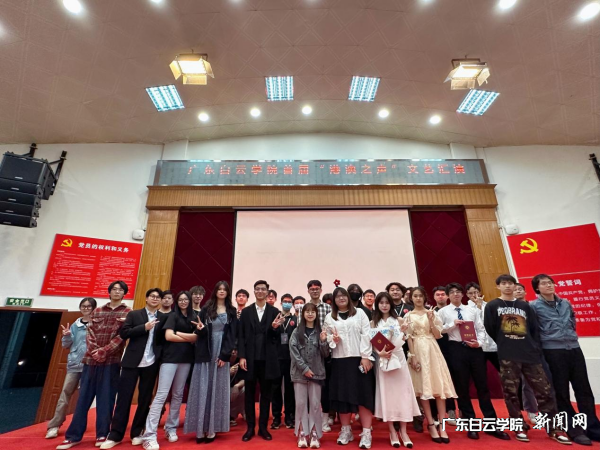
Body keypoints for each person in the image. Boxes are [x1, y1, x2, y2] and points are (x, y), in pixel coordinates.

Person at [484, 274, 571, 445]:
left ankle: (554, 428)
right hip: (508, 355)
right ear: (498, 286)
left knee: (544, 391)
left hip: (529, 354)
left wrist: (534, 347)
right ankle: (519, 427)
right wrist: (505, 342)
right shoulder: (493, 305)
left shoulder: (524, 306)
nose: (507, 286)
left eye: (510, 283)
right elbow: (490, 327)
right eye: (504, 283)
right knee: (511, 393)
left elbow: (533, 328)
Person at [57, 282, 132, 450]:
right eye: (114, 289)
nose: (117, 291)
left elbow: (122, 336)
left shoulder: (128, 312)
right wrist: (95, 351)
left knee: (106, 400)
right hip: (90, 361)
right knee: (83, 399)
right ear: (109, 292)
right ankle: (73, 436)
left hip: (111, 362)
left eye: (120, 290)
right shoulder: (97, 311)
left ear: (124, 293)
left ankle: (102, 434)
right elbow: (89, 333)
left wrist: (104, 351)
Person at [530, 274, 600, 444]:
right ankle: (573, 429)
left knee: (584, 390)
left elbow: (572, 321)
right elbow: (534, 331)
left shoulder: (565, 303)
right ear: (537, 288)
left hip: (574, 349)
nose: (549, 285)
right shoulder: (534, 306)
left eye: (550, 282)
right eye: (544, 283)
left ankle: (592, 427)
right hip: (552, 351)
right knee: (561, 392)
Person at [438, 282, 508, 441]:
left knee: (482, 387)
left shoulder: (472, 310)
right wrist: (452, 324)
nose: (455, 294)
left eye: (458, 291)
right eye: (452, 292)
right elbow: (438, 330)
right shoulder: (443, 312)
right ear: (448, 295)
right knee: (462, 388)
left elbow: (481, 328)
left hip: (475, 349)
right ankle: (471, 425)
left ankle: (492, 424)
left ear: (462, 294)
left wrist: (479, 343)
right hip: (456, 349)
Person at [100, 288, 165, 449]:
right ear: (147, 298)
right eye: (152, 296)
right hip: (131, 362)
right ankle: (115, 434)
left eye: (158, 297)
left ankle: (137, 432)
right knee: (124, 398)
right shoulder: (134, 314)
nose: (155, 299)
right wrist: (144, 327)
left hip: (151, 362)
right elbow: (124, 333)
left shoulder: (163, 317)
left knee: (144, 399)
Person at [142, 291, 197, 450]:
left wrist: (178, 333)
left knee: (178, 394)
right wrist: (187, 337)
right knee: (161, 395)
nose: (183, 302)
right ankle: (149, 435)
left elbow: (196, 338)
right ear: (176, 302)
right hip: (170, 359)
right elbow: (168, 336)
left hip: (186, 360)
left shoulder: (193, 317)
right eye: (180, 299)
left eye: (186, 299)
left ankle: (171, 428)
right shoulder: (173, 316)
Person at [185, 281, 238, 443]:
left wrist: (224, 356)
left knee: (217, 389)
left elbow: (232, 336)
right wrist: (200, 329)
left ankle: (212, 429)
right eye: (219, 289)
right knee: (203, 387)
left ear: (227, 292)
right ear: (215, 291)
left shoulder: (231, 311)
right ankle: (200, 428)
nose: (221, 291)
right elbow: (200, 330)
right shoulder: (206, 308)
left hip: (221, 352)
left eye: (224, 289)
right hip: (206, 351)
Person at [324, 287, 374, 449]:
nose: (341, 298)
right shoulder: (329, 317)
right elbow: (327, 337)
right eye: (337, 297)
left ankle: (366, 432)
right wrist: (333, 339)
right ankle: (346, 430)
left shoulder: (360, 313)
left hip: (359, 360)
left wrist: (365, 356)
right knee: (342, 397)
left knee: (363, 397)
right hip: (339, 361)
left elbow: (367, 334)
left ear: (348, 297)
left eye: (343, 295)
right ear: (334, 300)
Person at [405, 287, 456, 444]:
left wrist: (432, 319)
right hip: (418, 351)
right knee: (423, 389)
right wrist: (412, 357)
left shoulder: (432, 313)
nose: (418, 298)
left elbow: (438, 335)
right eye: (415, 296)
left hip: (432, 349)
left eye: (421, 296)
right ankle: (431, 424)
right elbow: (409, 337)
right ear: (411, 298)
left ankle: (442, 425)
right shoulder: (408, 315)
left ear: (425, 297)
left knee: (439, 388)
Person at [370, 292, 420, 448]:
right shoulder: (373, 323)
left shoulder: (399, 320)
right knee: (388, 395)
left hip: (399, 359)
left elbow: (406, 340)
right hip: (384, 360)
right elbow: (373, 343)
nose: (384, 305)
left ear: (391, 304)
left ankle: (404, 431)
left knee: (403, 394)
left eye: (387, 302)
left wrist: (403, 331)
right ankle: (392, 431)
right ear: (377, 305)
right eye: (381, 303)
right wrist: (379, 353)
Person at [238, 280, 283, 442]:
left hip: (267, 360)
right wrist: (242, 356)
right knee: (249, 394)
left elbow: (277, 338)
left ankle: (263, 427)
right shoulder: (246, 312)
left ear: (268, 292)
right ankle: (250, 427)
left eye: (263, 289)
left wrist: (274, 328)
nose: (260, 291)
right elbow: (241, 335)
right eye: (257, 289)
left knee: (266, 395)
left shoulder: (274, 311)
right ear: (254, 291)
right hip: (249, 359)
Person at [46, 298, 97, 440]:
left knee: (84, 397)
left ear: (94, 308)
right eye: (83, 306)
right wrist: (67, 336)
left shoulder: (97, 324)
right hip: (74, 365)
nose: (86, 308)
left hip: (90, 365)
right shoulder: (75, 325)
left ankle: (79, 425)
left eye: (89, 306)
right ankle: (54, 425)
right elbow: (66, 345)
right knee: (64, 395)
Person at [290, 303, 330, 448]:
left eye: (313, 311)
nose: (310, 314)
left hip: (317, 373)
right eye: (307, 311)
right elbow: (293, 352)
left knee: (315, 404)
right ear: (303, 314)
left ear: (316, 314)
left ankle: (314, 433)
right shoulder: (296, 331)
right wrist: (304, 368)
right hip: (299, 373)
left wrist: (324, 341)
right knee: (300, 404)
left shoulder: (321, 331)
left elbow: (326, 354)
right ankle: (302, 433)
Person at [387, 282, 422, 433]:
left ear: (403, 293)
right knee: (396, 387)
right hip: (393, 352)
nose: (395, 292)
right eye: (392, 290)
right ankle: (397, 417)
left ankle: (417, 417)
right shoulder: (385, 309)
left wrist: (413, 354)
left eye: (397, 290)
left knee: (413, 385)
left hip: (411, 348)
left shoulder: (410, 307)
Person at [306, 280, 333, 433]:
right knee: (311, 387)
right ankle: (311, 418)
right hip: (310, 354)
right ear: (308, 291)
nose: (315, 291)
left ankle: (325, 419)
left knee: (326, 387)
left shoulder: (328, 308)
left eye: (317, 289)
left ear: (321, 290)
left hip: (326, 352)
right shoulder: (305, 308)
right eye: (312, 289)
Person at [430, 286, 457, 426]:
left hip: (453, 349)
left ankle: (452, 410)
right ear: (434, 297)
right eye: (438, 294)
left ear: (447, 296)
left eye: (442, 294)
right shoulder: (431, 312)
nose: (440, 296)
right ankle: (435, 414)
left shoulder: (453, 310)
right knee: (436, 380)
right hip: (436, 349)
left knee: (450, 379)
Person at [513, 283, 539, 425]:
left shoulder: (533, 306)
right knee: (527, 383)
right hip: (520, 349)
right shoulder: (510, 309)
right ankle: (531, 410)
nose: (518, 291)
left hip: (537, 347)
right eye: (515, 290)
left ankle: (549, 410)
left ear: (525, 292)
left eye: (520, 289)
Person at [271, 293, 297, 430]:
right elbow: (270, 336)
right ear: (281, 303)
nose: (287, 303)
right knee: (275, 388)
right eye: (285, 301)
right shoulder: (275, 317)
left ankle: (289, 417)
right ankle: (276, 417)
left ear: (291, 304)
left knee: (289, 389)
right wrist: (274, 327)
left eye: (289, 301)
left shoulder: (295, 319)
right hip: (276, 358)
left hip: (291, 359)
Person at [465, 282, 499, 371]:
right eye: (470, 293)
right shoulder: (465, 308)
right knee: (480, 372)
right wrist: (478, 307)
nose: (473, 295)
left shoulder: (489, 305)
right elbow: (472, 323)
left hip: (493, 343)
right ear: (467, 295)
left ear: (480, 292)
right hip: (478, 345)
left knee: (502, 369)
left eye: (475, 292)